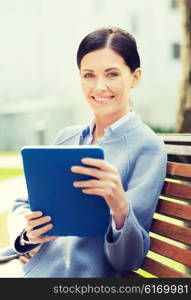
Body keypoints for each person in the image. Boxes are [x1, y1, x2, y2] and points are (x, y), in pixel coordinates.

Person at [0, 26, 167, 278]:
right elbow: (22, 204)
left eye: (112, 74)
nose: (99, 86)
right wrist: (29, 232)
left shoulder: (147, 147)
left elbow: (128, 260)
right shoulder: (67, 136)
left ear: (135, 77)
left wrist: (121, 207)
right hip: (31, 264)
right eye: (89, 75)